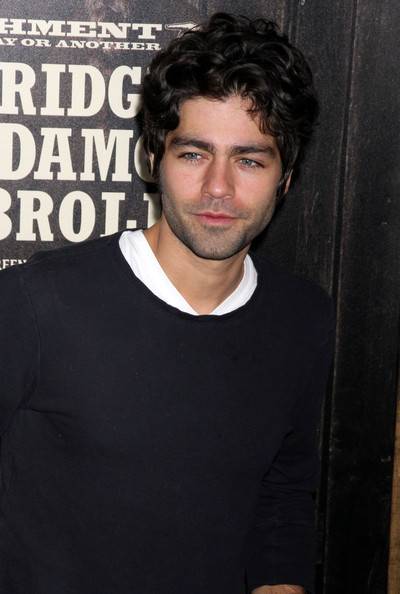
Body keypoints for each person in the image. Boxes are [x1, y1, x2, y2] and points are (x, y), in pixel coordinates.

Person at [0, 12, 334, 594]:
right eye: (194, 154)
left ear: (286, 178)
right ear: (153, 158)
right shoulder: (35, 303)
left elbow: (282, 496)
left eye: (249, 160)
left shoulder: (302, 318)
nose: (218, 188)